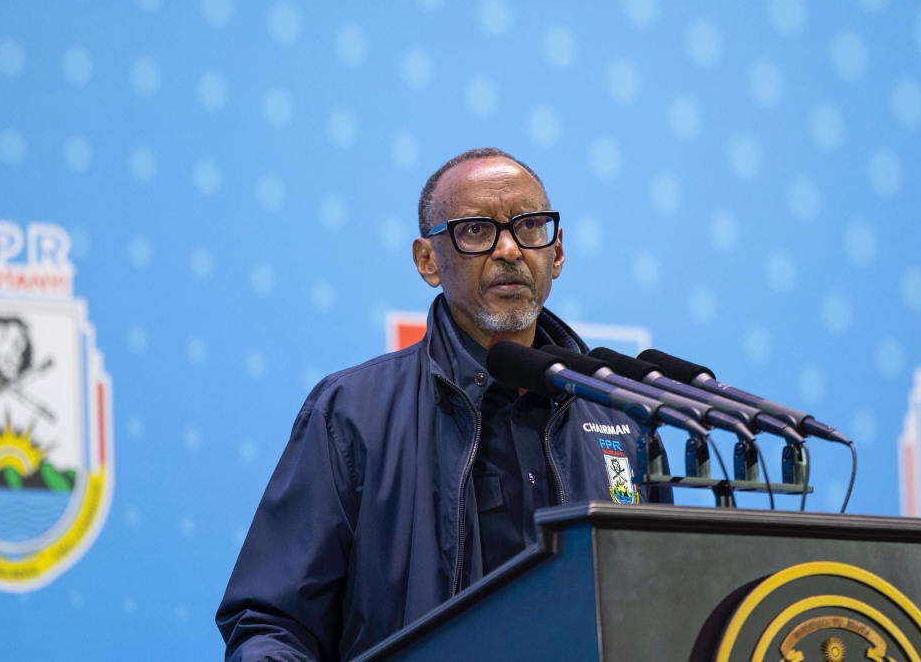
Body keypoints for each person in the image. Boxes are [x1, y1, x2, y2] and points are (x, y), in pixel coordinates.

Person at [216, 147, 665, 662]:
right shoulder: (350, 414)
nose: (509, 250)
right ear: (428, 260)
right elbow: (273, 624)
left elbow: (657, 603)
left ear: (556, 252)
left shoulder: (620, 414)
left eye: (529, 226)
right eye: (476, 230)